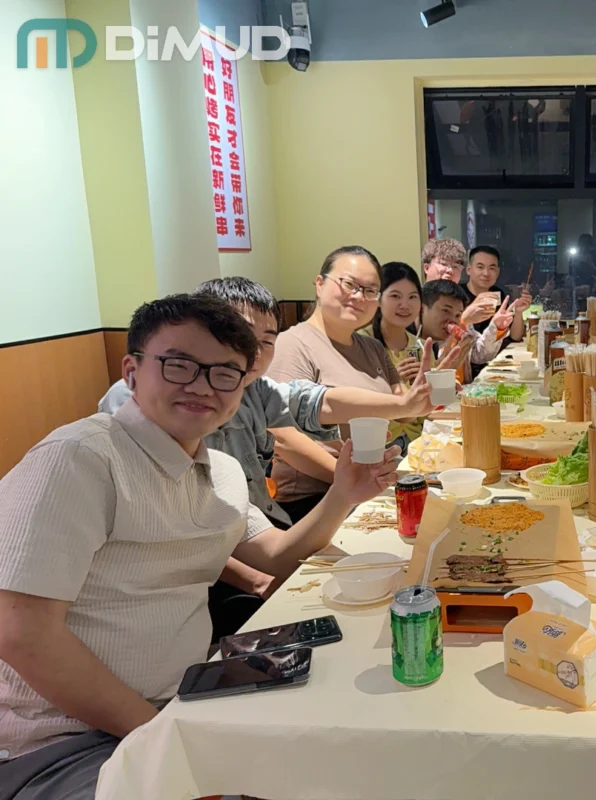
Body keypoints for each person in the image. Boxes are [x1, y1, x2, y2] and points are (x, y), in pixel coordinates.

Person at [0, 295, 400, 797]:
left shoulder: (221, 472)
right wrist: (165, 735)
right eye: (179, 365)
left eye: (224, 373)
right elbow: (22, 635)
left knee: (360, 730)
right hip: (67, 740)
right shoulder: (79, 459)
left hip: (184, 698)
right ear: (131, 371)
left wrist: (343, 494)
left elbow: (277, 555)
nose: (202, 385)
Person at [97, 278, 429, 639]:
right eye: (182, 365)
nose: (253, 353)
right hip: (196, 592)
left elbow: (318, 401)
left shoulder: (233, 438)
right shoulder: (101, 444)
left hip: (241, 555)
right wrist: (255, 581)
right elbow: (188, 541)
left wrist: (402, 408)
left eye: (267, 341)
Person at [267, 246, 424, 523]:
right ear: (319, 284)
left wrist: (425, 390)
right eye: (350, 285)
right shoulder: (293, 344)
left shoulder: (372, 348)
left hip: (370, 488)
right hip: (314, 500)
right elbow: (282, 438)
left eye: (370, 290)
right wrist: (349, 480)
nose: (359, 297)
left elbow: (403, 410)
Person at [365, 262, 430, 446]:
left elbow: (426, 411)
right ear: (378, 299)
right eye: (395, 296)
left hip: (418, 440)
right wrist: (392, 384)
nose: (405, 305)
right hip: (379, 444)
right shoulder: (362, 343)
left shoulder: (421, 346)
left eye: (412, 297)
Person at [420, 279, 513, 380]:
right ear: (422, 309)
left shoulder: (458, 326)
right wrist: (443, 373)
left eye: (457, 315)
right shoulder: (411, 345)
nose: (452, 320)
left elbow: (479, 354)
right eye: (446, 311)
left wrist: (496, 327)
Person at [461, 245, 532, 343]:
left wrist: (518, 312)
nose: (486, 273)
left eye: (492, 268)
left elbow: (515, 337)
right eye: (480, 267)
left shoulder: (497, 295)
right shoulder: (456, 295)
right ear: (468, 270)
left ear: (497, 272)